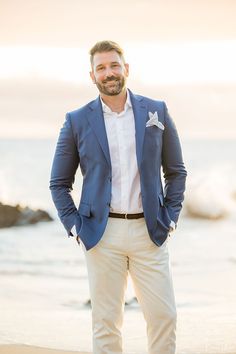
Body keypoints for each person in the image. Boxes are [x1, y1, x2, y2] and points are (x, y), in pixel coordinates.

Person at [50, 40, 187, 354]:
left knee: (164, 315)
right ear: (92, 76)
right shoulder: (77, 119)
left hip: (150, 232)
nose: (108, 73)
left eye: (114, 65)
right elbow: (58, 183)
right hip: (102, 235)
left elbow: (176, 172)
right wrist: (76, 228)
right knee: (106, 322)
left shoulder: (157, 110)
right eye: (101, 68)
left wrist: (171, 218)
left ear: (126, 69)